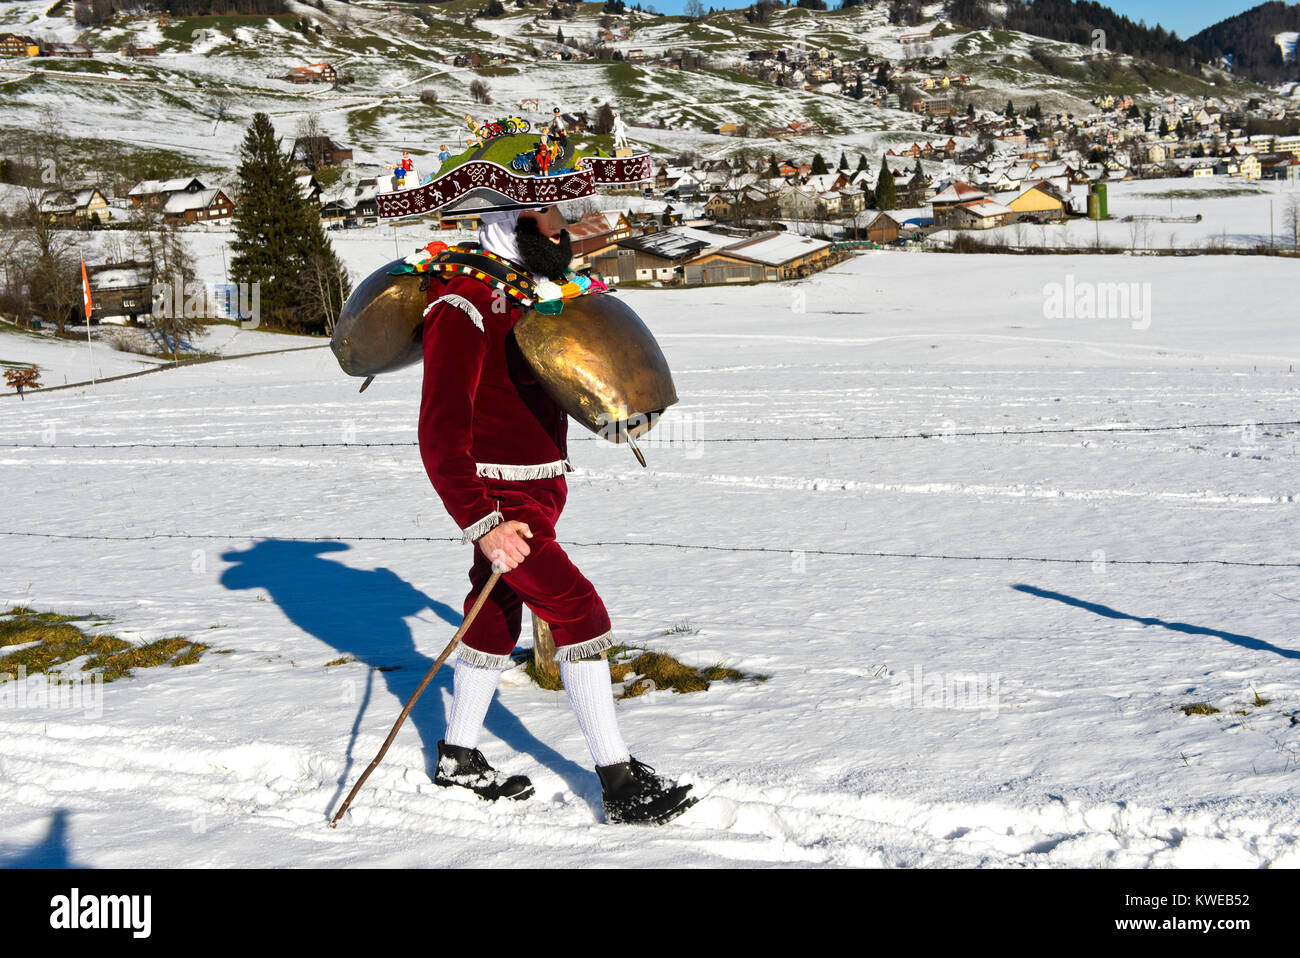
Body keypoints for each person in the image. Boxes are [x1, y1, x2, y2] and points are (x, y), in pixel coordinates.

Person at [417, 204, 696, 826]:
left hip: (538, 489)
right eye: (542, 213)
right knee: (577, 608)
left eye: (561, 212)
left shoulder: (527, 292)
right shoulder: (461, 302)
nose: (559, 227)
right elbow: (439, 435)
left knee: (492, 614)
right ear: (502, 217)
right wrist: (483, 523)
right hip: (500, 502)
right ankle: (619, 783)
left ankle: (457, 756)